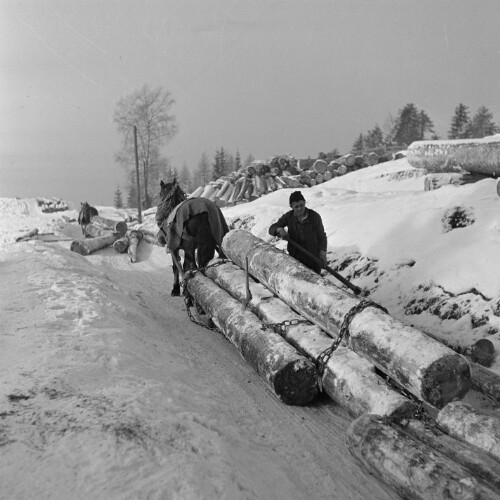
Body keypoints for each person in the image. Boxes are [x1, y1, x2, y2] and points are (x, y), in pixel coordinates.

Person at [269, 191, 327, 274]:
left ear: (304, 203)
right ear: (291, 206)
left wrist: (323, 252)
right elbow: (272, 228)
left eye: (301, 205)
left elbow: (322, 236)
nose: (299, 208)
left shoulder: (314, 217)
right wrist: (279, 229)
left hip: (313, 258)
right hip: (295, 259)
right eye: (296, 207)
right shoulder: (288, 217)